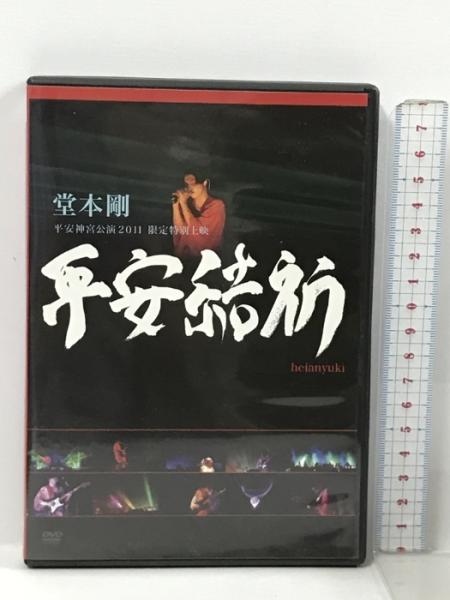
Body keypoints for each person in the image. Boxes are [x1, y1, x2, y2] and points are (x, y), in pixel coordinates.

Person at [172, 173, 226, 258]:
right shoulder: (187, 205)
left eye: (193, 184)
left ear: (204, 182)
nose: (190, 188)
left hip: (204, 259)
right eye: (187, 185)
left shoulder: (217, 205)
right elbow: (180, 230)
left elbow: (199, 231)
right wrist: (175, 205)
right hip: (185, 257)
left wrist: (183, 203)